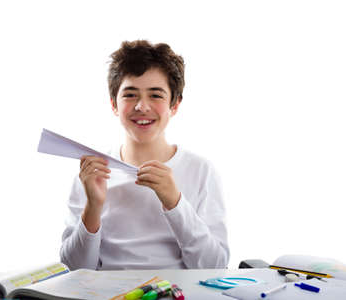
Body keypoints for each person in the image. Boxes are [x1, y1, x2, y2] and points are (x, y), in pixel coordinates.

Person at [60, 40, 230, 270]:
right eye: (130, 94)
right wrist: (93, 205)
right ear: (114, 105)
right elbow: (74, 270)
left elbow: (214, 266)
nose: (142, 106)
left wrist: (175, 202)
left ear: (175, 104)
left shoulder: (201, 171)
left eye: (156, 95)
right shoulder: (92, 172)